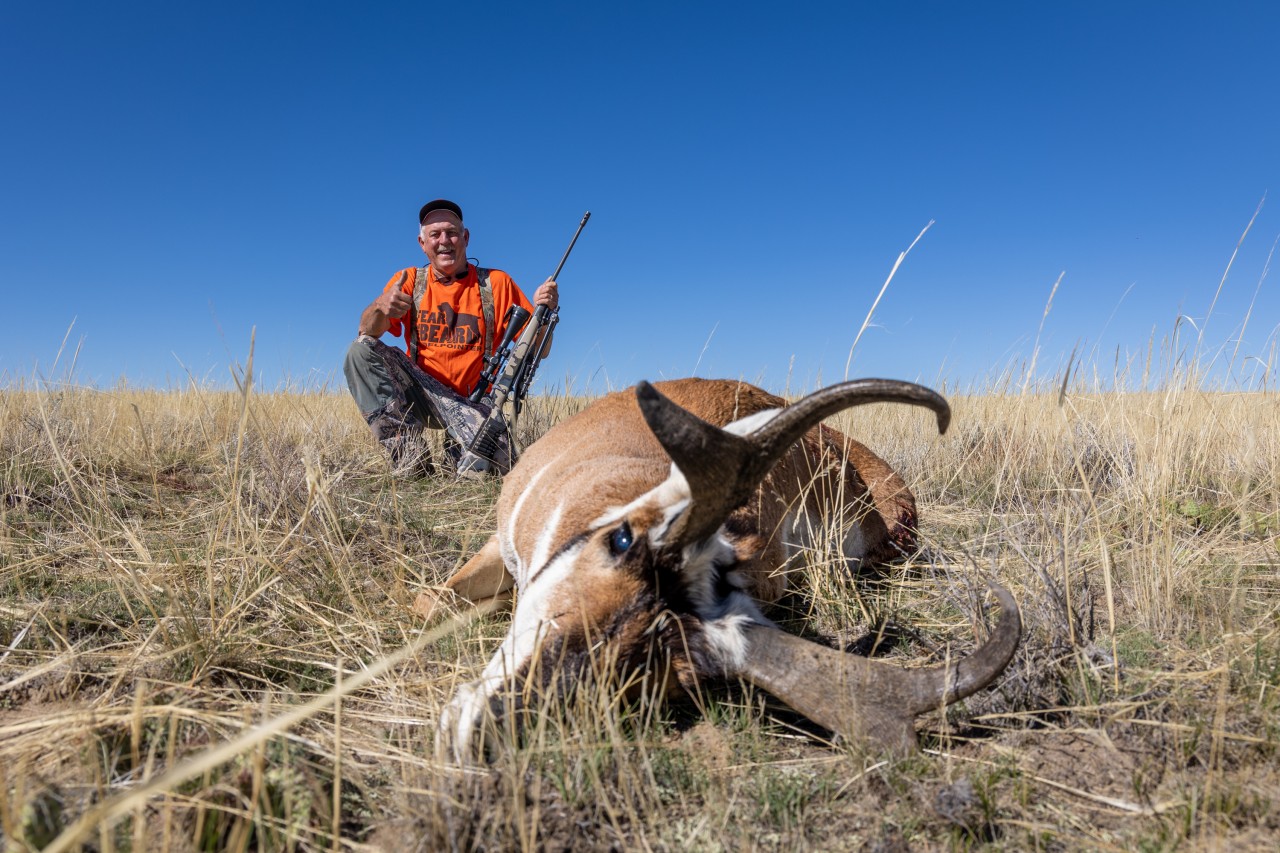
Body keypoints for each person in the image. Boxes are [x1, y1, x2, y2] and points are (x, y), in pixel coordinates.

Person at [344, 198, 558, 477]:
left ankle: (454, 451)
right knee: (359, 351)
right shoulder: (408, 280)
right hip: (422, 393)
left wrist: (544, 312)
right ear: (423, 243)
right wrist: (380, 306)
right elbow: (367, 332)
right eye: (435, 234)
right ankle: (410, 458)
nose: (444, 240)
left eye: (452, 232)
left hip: (473, 401)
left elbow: (539, 350)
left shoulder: (496, 283)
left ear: (465, 237)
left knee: (496, 470)